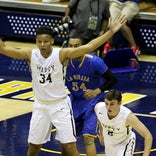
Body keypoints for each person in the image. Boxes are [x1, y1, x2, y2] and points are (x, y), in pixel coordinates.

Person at [0, 15, 126, 156]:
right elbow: (3, 49)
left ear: (52, 41)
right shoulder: (30, 55)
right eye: (39, 41)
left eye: (46, 41)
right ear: (36, 41)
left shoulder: (61, 54)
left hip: (60, 106)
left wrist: (111, 32)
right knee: (34, 147)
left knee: (70, 147)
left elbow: (89, 47)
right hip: (40, 106)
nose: (42, 45)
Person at [65, 35, 117, 156]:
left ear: (83, 47)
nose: (73, 49)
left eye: (76, 46)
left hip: (93, 102)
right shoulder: (64, 61)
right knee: (67, 140)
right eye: (70, 46)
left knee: (88, 138)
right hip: (74, 102)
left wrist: (98, 90)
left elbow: (112, 79)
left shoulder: (94, 61)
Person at [95, 89, 153, 156]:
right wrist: (101, 134)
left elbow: (148, 136)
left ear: (119, 103)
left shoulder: (128, 117)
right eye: (106, 103)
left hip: (124, 143)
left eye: (112, 104)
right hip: (109, 143)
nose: (108, 107)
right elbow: (100, 118)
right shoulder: (99, 108)